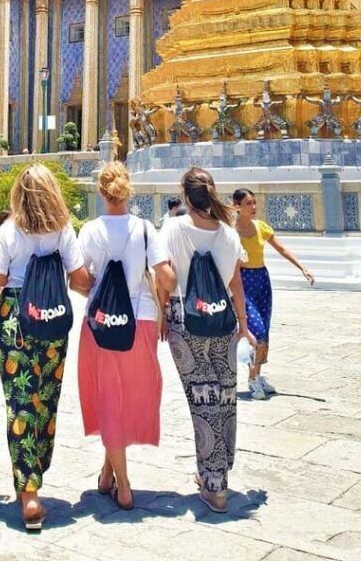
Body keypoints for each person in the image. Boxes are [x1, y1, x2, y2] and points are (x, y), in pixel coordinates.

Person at [0, 163, 91, 531]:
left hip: (15, 320)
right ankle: (34, 473)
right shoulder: (62, 230)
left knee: (19, 403)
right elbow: (80, 279)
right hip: (52, 321)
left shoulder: (8, 230)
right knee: (45, 398)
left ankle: (28, 491)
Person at [76, 162, 174, 510]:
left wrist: (98, 295)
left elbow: (77, 278)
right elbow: (167, 276)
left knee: (108, 399)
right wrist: (161, 303)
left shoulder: (89, 230)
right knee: (125, 398)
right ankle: (108, 474)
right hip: (142, 321)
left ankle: (124, 484)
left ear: (101, 192)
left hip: (101, 325)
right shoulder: (146, 229)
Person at [160, 167, 256, 514]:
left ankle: (215, 483)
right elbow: (236, 284)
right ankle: (219, 468)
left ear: (186, 196)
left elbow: (167, 278)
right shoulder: (228, 234)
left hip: (186, 320)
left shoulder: (172, 228)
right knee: (226, 396)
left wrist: (160, 313)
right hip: (224, 319)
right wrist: (244, 325)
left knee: (203, 400)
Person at [232, 188, 315, 399]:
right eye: (248, 203)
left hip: (261, 280)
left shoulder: (261, 227)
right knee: (256, 330)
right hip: (243, 283)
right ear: (237, 206)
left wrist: (302, 267)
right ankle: (251, 379)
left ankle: (257, 375)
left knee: (264, 331)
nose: (253, 207)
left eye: (254, 203)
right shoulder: (231, 231)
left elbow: (281, 249)